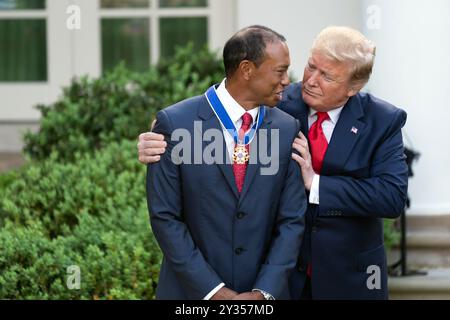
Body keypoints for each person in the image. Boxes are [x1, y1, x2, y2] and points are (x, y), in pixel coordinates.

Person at [139, 26, 408, 300]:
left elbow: (391, 197)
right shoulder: (279, 100)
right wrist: (159, 136)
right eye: (311, 66)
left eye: (326, 76)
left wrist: (316, 184)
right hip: (282, 280)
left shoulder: (383, 121)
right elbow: (219, 105)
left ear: (354, 87)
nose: (310, 81)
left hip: (347, 276)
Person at [146, 25, 307, 300]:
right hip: (191, 295)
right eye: (280, 71)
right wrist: (215, 292)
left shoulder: (287, 128)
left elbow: (291, 220)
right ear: (246, 69)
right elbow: (165, 217)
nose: (287, 82)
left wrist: (263, 292)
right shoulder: (174, 124)